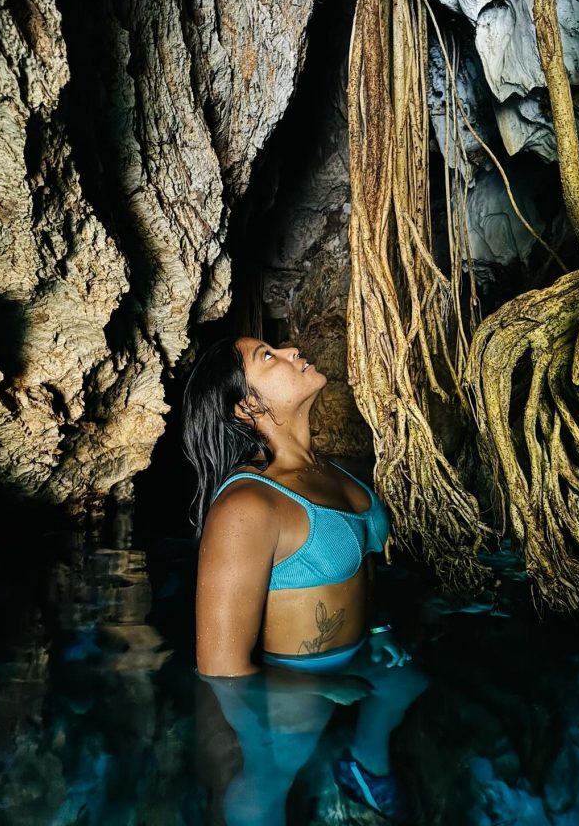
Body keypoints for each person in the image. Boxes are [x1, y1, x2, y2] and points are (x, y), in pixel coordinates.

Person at [181, 335, 430, 824]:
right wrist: (314, 689)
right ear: (247, 406)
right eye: (267, 357)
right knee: (271, 777)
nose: (292, 350)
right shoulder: (247, 506)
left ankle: (363, 765)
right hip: (293, 682)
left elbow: (363, 567)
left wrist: (378, 630)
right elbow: (220, 669)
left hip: (354, 653)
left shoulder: (332, 472)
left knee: (407, 682)